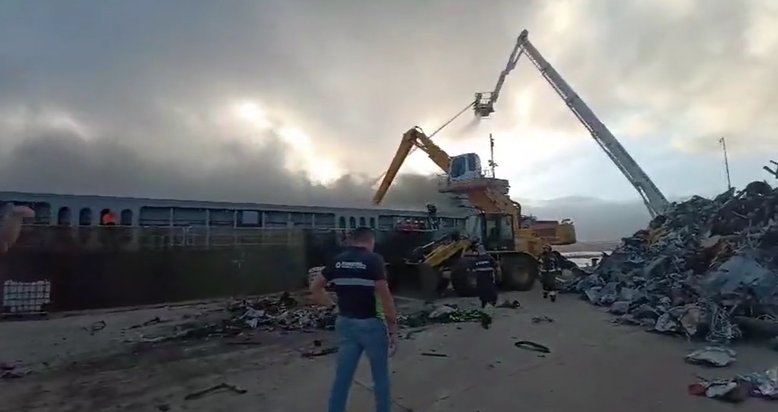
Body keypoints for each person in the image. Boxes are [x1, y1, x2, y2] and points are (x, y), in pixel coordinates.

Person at [309, 226, 398, 412]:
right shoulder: (374, 260)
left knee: (343, 377)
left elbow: (315, 288)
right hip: (371, 324)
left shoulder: (337, 261)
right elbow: (385, 296)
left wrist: (332, 306)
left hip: (345, 323)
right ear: (370, 241)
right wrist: (392, 329)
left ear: (351, 240)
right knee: (380, 377)